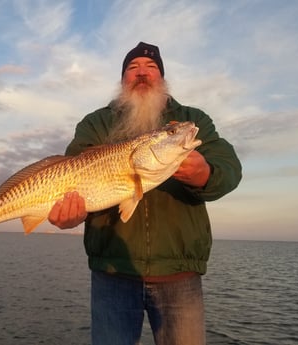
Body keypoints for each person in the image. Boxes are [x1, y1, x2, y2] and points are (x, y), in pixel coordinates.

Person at [48, 42, 242, 345]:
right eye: (132, 67)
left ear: (162, 78)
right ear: (122, 79)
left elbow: (229, 167)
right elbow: (69, 176)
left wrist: (205, 175)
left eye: (151, 67)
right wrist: (69, 214)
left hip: (179, 273)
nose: (142, 72)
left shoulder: (192, 119)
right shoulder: (96, 123)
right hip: (111, 271)